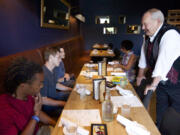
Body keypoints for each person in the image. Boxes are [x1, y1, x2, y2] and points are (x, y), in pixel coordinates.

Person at [136, 8, 180, 129]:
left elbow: (163, 61)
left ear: (158, 21)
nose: (143, 28)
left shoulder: (170, 34)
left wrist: (153, 85)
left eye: (145, 24)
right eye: (142, 24)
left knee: (175, 117)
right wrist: (140, 75)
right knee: (161, 112)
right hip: (161, 83)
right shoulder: (147, 37)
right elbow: (143, 58)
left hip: (177, 85)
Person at [0, 58, 56, 135]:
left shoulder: (28, 96)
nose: (42, 86)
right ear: (23, 86)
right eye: (39, 84)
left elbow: (38, 113)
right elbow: (37, 113)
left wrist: (55, 123)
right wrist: (35, 115)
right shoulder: (4, 112)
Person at [40, 47, 70, 117]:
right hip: (49, 107)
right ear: (50, 58)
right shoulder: (43, 74)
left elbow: (56, 84)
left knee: (74, 95)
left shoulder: (52, 70)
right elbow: (43, 100)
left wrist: (70, 89)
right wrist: (62, 103)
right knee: (71, 112)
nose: (60, 60)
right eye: (58, 57)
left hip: (56, 97)